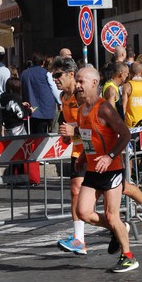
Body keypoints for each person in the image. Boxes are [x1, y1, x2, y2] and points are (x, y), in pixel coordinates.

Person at [74, 66, 142, 273]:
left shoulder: (104, 109)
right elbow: (88, 138)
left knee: (111, 215)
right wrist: (84, 157)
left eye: (81, 81)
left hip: (111, 169)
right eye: (76, 81)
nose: (77, 86)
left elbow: (126, 134)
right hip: (94, 169)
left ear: (94, 83)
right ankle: (117, 229)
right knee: (83, 212)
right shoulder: (81, 110)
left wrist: (110, 155)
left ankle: (128, 256)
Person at [52, 57, 87, 255]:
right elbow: (68, 121)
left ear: (71, 75)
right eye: (52, 76)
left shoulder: (82, 96)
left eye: (58, 75)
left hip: (94, 149)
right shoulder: (63, 97)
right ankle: (79, 240)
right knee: (75, 191)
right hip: (77, 150)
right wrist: (66, 134)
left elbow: (93, 126)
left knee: (118, 190)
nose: (55, 79)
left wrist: (72, 130)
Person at [20, 52, 59, 134]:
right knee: (43, 134)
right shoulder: (46, 73)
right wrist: (59, 101)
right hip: (45, 109)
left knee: (32, 134)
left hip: (30, 109)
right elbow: (53, 88)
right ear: (43, 62)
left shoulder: (24, 74)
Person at [122, 61, 142, 127]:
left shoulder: (127, 86)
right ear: (141, 71)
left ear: (130, 71)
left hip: (131, 123)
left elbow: (123, 106)